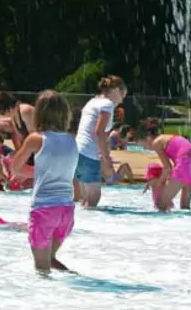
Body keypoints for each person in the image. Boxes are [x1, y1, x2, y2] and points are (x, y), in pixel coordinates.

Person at [12, 90, 78, 272]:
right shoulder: (72, 142)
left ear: (38, 113)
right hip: (66, 211)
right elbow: (68, 174)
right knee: (50, 260)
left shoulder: (36, 139)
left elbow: (16, 168)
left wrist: (35, 172)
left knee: (42, 270)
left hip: (44, 210)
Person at [74, 75, 127, 207]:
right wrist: (106, 156)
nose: (121, 100)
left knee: (84, 198)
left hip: (76, 150)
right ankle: (91, 227)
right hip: (88, 153)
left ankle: (81, 225)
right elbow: (99, 132)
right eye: (123, 95)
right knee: (94, 197)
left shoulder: (92, 101)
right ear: (117, 91)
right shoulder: (107, 104)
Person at [143, 120, 191, 210]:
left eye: (144, 145)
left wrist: (158, 184)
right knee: (185, 207)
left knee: (161, 204)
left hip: (184, 164)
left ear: (148, 138)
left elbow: (168, 168)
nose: (145, 147)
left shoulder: (156, 142)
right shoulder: (167, 138)